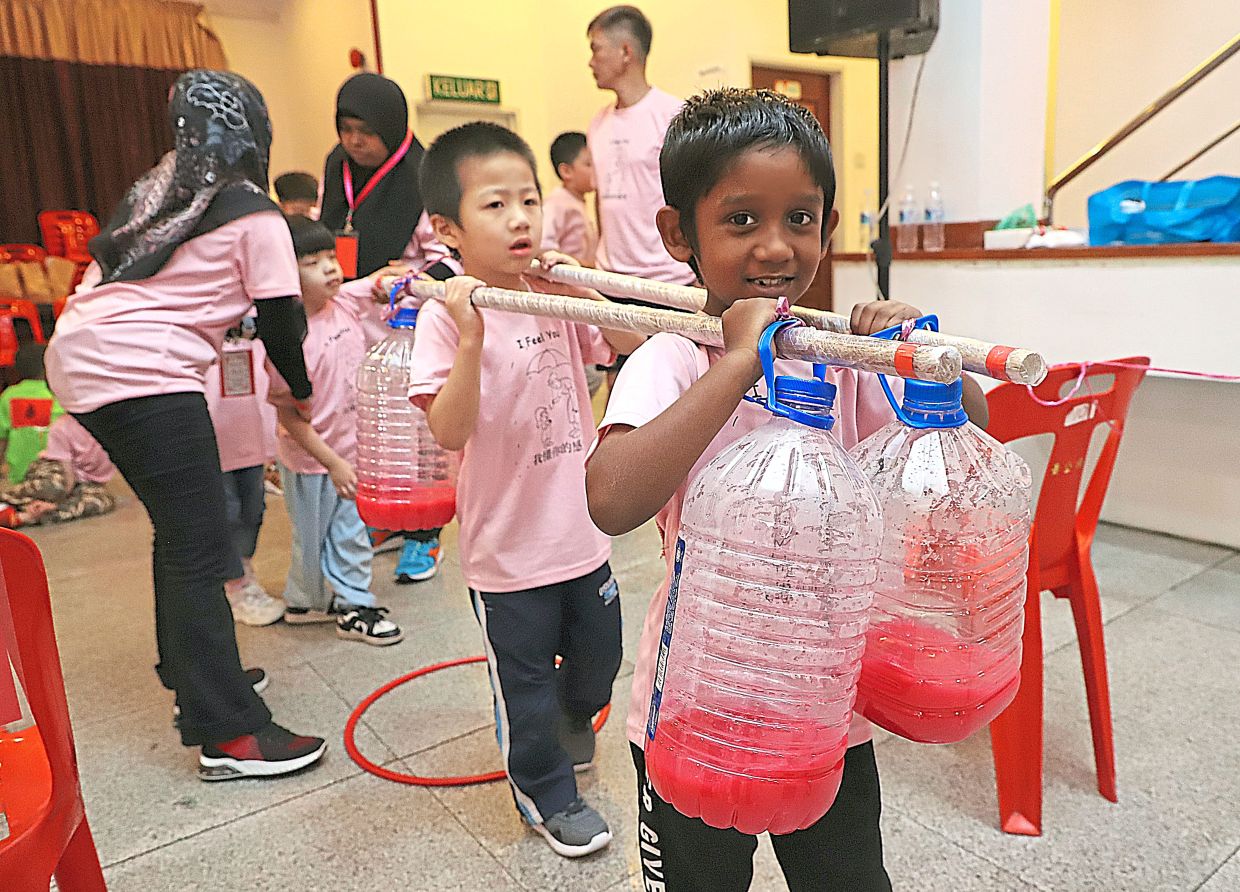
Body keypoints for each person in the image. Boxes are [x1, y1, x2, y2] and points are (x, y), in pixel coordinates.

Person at [585, 88, 988, 891]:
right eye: (741, 221)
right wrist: (737, 362)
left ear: (827, 229)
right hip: (697, 706)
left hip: (827, 709)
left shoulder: (840, 360)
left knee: (848, 880)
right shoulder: (672, 359)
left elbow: (972, 431)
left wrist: (925, 358)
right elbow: (611, 499)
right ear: (679, 235)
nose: (775, 247)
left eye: (800, 219)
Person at [44, 70, 326, 781]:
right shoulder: (255, 213)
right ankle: (231, 734)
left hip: (82, 354)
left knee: (181, 534)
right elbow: (283, 319)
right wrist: (301, 389)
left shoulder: (159, 189)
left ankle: (194, 684)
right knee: (201, 545)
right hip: (142, 372)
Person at [407, 122, 644, 858]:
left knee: (600, 659)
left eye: (529, 201)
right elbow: (447, 431)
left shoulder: (552, 296)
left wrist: (583, 285)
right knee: (528, 687)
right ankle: (546, 793)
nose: (519, 219)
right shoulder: (442, 317)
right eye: (495, 205)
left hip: (580, 534)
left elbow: (633, 344)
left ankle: (575, 725)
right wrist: (471, 336)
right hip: (507, 554)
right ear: (447, 228)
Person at [320, 71, 456, 584]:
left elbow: (447, 255)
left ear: (393, 127)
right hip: (353, 314)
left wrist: (408, 279)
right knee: (374, 430)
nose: (355, 141)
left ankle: (425, 537)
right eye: (346, 128)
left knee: (417, 433)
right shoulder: (337, 166)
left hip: (407, 322)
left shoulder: (422, 175)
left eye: (367, 130)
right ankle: (388, 517)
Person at [268, 215, 403, 646]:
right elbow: (289, 417)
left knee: (348, 530)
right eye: (312, 261)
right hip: (313, 459)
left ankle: (353, 604)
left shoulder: (342, 301)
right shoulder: (286, 339)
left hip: (350, 452)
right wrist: (333, 463)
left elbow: (379, 282)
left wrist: (400, 278)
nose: (329, 268)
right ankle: (307, 601)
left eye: (331, 257)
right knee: (313, 537)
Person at [205, 322, 285, 627]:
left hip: (250, 428)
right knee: (227, 511)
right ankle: (235, 585)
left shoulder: (253, 314)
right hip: (211, 432)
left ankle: (243, 573)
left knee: (253, 509)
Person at [0, 414, 116, 528]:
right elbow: (67, 478)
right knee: (54, 486)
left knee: (101, 501)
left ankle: (28, 516)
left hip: (85, 483)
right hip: (57, 471)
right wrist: (60, 500)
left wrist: (54, 506)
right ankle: (7, 498)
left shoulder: (114, 426)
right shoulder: (62, 426)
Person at [0, 343, 65, 482]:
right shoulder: (59, 395)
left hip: (19, 475)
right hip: (56, 476)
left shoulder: (8, 396)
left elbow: (2, 439)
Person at [541, 132, 598, 267]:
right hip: (567, 282)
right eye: (589, 164)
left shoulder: (578, 201)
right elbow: (543, 246)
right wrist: (582, 265)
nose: (596, 169)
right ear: (566, 171)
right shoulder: (556, 203)